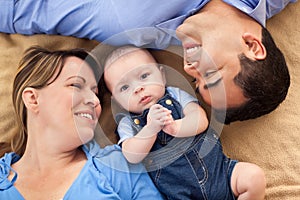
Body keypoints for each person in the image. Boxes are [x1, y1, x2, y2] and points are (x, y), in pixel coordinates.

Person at [0, 0, 296, 123]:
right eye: (212, 74)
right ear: (252, 46)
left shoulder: (124, 26)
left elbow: (22, 10)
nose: (191, 68)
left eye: (197, 81)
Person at [104, 46, 266, 200]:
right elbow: (131, 155)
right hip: (179, 194)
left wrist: (176, 127)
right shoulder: (127, 123)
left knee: (254, 177)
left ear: (162, 75)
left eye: (144, 76)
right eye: (124, 87)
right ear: (116, 100)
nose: (138, 88)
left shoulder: (176, 96)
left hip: (221, 174)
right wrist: (150, 129)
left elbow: (201, 120)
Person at [0, 46, 163, 200]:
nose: (94, 101)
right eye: (76, 85)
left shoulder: (117, 166)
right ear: (33, 99)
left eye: (95, 93)